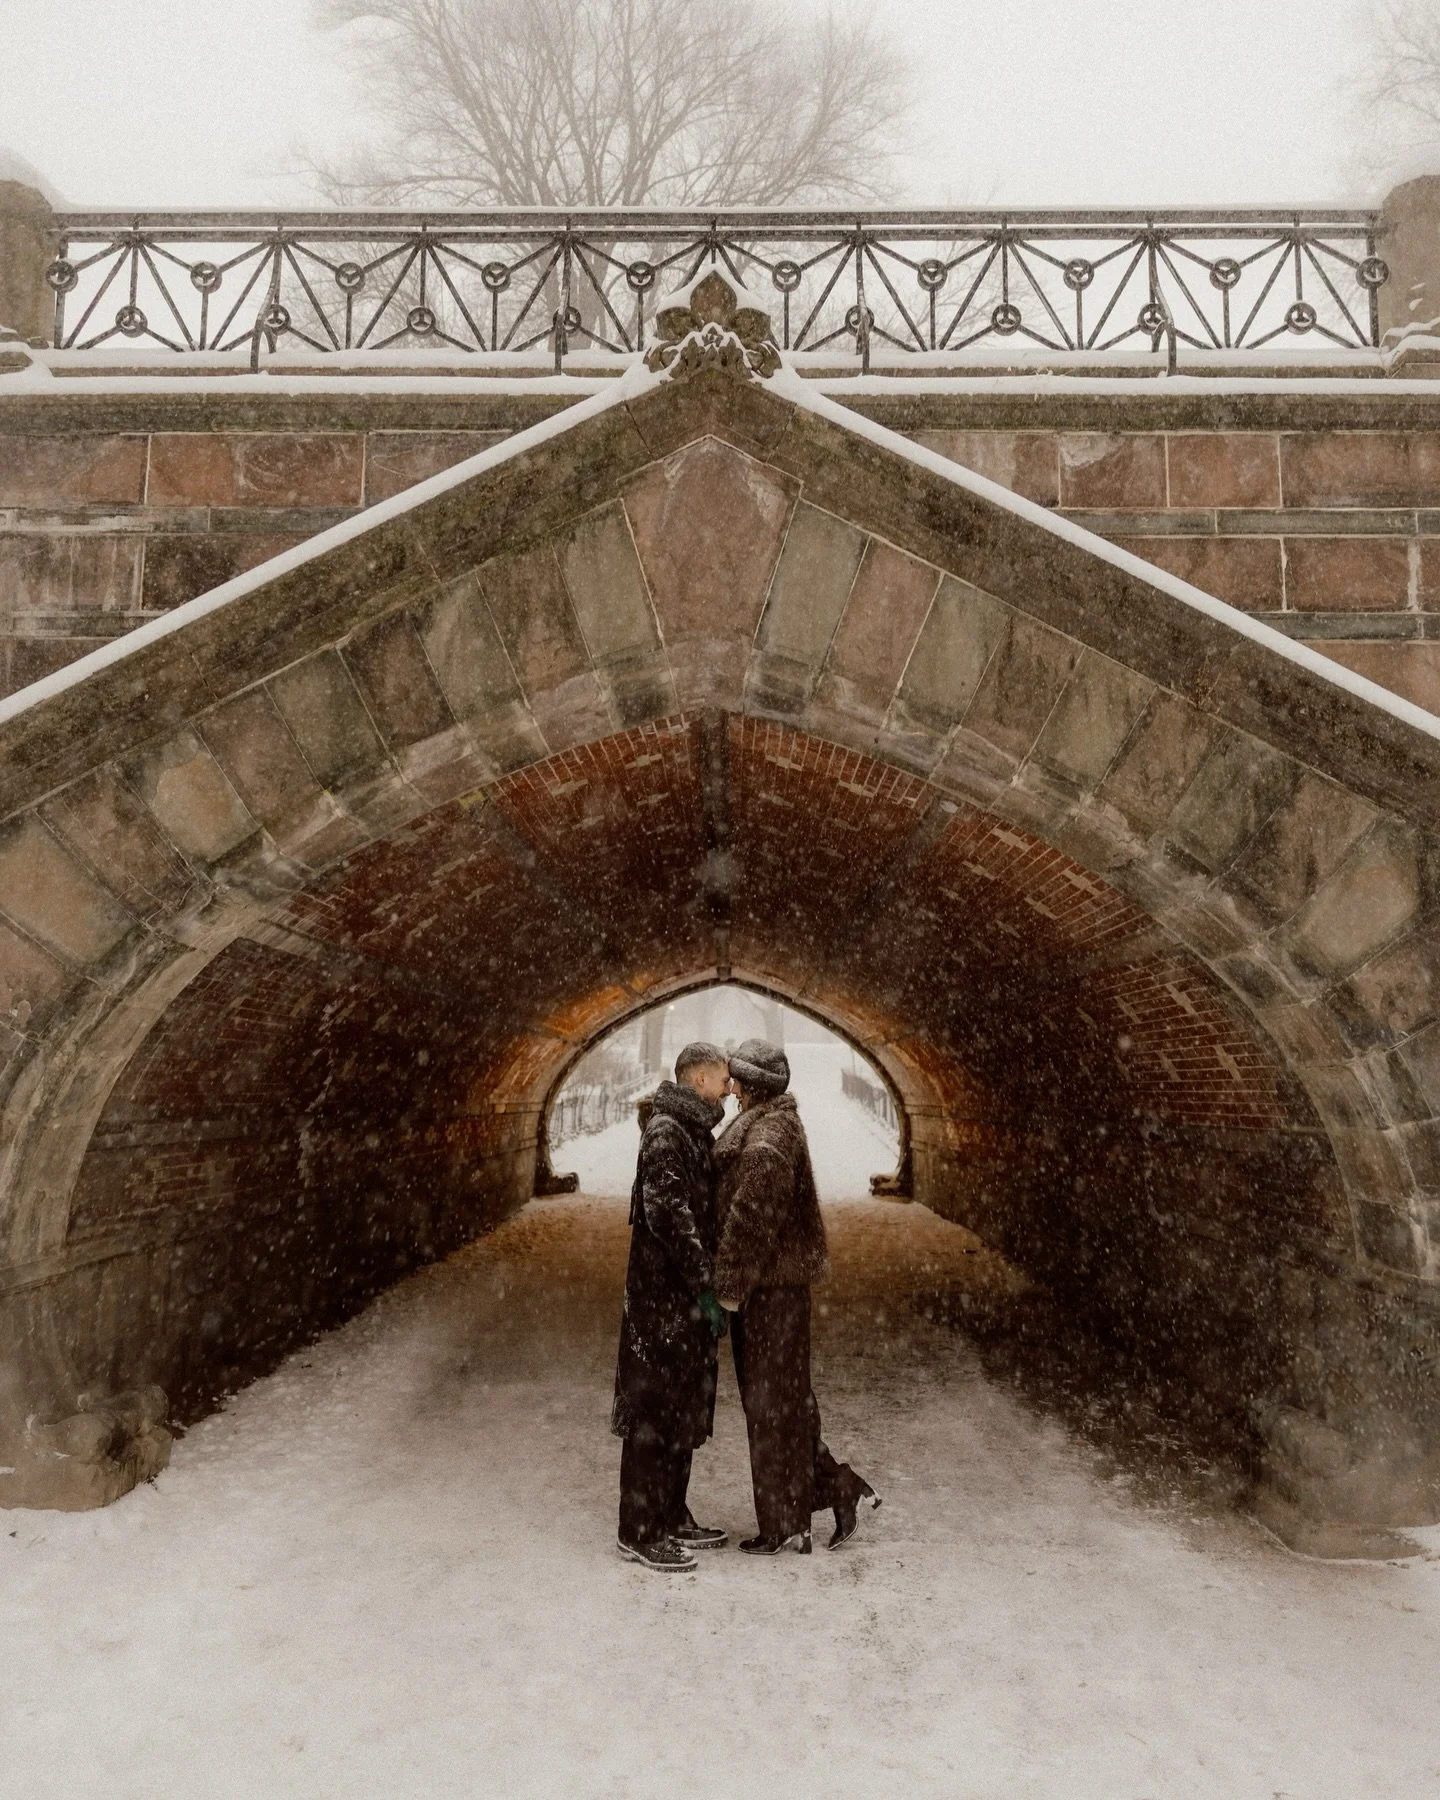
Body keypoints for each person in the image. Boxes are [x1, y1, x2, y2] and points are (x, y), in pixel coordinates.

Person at [714, 1038, 879, 1555]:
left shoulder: (767, 1139)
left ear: (752, 1086)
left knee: (769, 1404)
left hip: (769, 1293)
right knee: (787, 1401)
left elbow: (751, 1221)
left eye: (737, 1079)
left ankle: (784, 1520)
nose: (732, 1088)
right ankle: (829, 1490)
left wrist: (728, 1288)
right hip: (778, 1291)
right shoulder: (770, 1126)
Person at [611, 1041, 732, 1572]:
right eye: (724, 1078)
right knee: (653, 1413)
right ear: (699, 1078)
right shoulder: (667, 1133)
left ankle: (671, 1512)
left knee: (683, 1407)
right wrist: (704, 1284)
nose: (731, 1086)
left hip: (679, 1301)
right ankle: (639, 1529)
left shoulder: (690, 1130)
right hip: (662, 1302)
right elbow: (668, 1215)